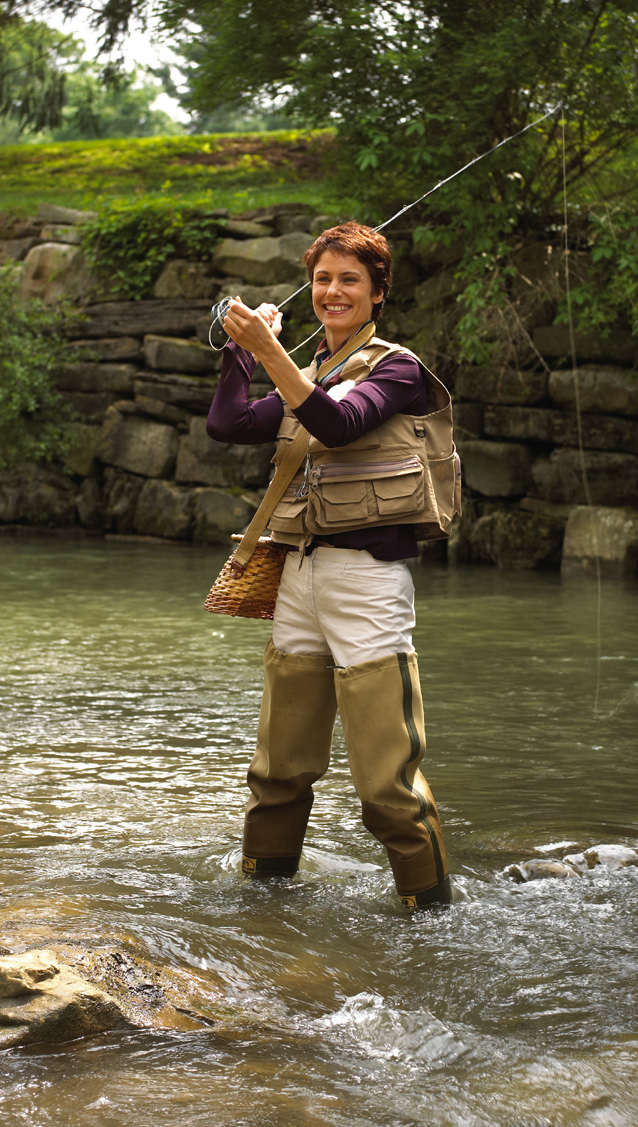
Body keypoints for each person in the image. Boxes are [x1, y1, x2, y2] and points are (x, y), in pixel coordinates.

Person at [206, 221, 461, 909]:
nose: (332, 291)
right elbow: (226, 424)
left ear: (378, 293)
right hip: (299, 576)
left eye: (350, 279)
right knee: (279, 769)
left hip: (369, 582)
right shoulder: (311, 372)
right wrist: (239, 352)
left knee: (385, 785)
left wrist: (271, 354)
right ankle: (264, 899)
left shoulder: (399, 368)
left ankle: (431, 914)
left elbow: (341, 424)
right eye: (322, 278)